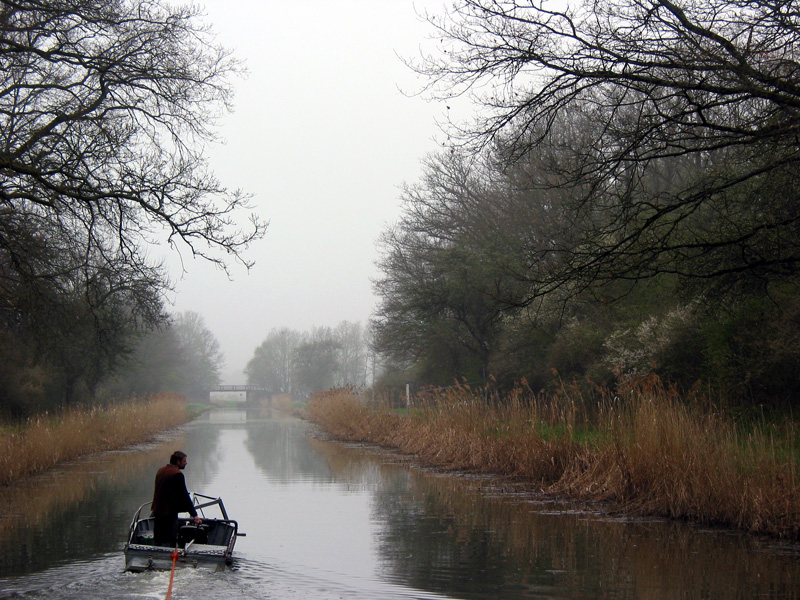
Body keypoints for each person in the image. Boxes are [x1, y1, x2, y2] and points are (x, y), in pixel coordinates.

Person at [152, 450, 203, 546]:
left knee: (158, 538)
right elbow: (184, 496)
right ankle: (170, 556)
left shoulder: (161, 470)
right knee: (170, 539)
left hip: (157, 510)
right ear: (178, 462)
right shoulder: (177, 474)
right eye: (184, 461)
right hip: (169, 513)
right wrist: (194, 515)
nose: (186, 463)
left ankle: (155, 555)